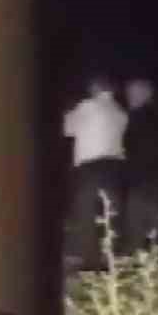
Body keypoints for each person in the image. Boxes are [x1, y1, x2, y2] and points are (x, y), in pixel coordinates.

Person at [63, 73, 129, 268]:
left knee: (85, 209)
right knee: (111, 211)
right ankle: (111, 254)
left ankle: (84, 255)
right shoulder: (120, 112)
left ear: (95, 87)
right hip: (114, 166)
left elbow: (67, 128)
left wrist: (67, 112)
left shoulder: (87, 106)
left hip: (90, 166)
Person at [122, 77, 158, 248]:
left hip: (143, 180)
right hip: (153, 180)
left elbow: (142, 151)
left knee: (137, 226)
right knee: (153, 225)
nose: (129, 96)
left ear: (146, 94)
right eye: (128, 93)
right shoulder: (155, 117)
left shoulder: (139, 118)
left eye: (133, 93)